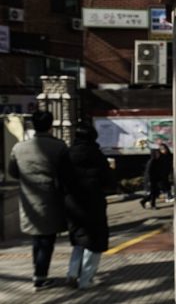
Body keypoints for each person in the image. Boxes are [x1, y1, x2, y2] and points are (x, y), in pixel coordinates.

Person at [8, 110, 70, 290]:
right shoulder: (59, 147)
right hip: (52, 198)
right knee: (47, 240)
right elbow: (67, 173)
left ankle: (39, 273)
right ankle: (41, 277)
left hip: (29, 199)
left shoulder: (19, 148)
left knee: (37, 239)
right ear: (51, 126)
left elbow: (13, 172)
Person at [64, 122, 113, 289]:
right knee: (94, 241)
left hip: (72, 203)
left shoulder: (67, 155)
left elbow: (59, 180)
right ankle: (86, 279)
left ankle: (72, 273)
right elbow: (108, 180)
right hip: (93, 202)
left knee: (79, 239)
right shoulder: (97, 155)